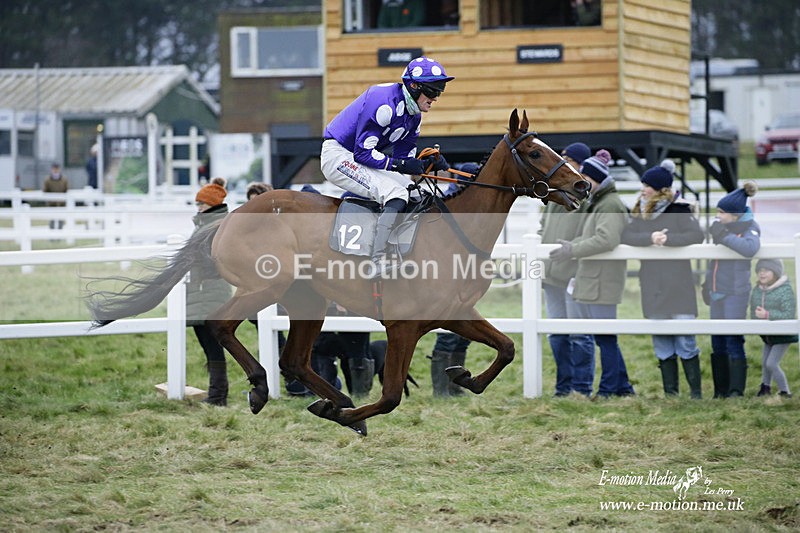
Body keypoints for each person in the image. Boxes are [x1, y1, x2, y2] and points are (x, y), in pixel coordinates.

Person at [320, 56, 453, 278]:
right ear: (414, 86)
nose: (435, 98)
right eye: (432, 91)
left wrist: (427, 164)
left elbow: (405, 163)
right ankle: (377, 259)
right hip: (338, 154)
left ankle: (398, 248)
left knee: (413, 192)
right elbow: (363, 153)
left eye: (440, 91)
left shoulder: (414, 116)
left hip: (360, 157)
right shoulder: (384, 104)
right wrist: (401, 164)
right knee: (395, 192)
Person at [550, 149, 635, 398]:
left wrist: (572, 250)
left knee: (606, 339)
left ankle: (610, 389)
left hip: (602, 280)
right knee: (604, 338)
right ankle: (621, 388)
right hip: (595, 279)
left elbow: (605, 239)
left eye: (586, 177)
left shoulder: (609, 204)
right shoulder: (602, 201)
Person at [621, 160, 704, 398]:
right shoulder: (639, 210)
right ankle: (671, 393)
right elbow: (626, 235)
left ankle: (695, 393)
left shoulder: (678, 209)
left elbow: (696, 234)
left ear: (660, 189)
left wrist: (669, 240)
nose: (643, 189)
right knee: (661, 340)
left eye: (647, 185)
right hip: (652, 284)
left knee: (686, 339)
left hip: (679, 285)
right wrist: (650, 236)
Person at [540, 142, 595, 397]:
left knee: (579, 333)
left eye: (568, 159)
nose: (562, 162)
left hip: (572, 271)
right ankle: (563, 386)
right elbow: (543, 227)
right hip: (551, 273)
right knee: (556, 333)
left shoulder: (586, 195)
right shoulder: (554, 192)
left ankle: (581, 387)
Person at [703, 181, 760, 398]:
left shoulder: (750, 228)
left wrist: (723, 237)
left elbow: (749, 248)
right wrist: (707, 285)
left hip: (735, 293)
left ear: (734, 215)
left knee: (733, 339)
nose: (717, 216)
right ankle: (721, 390)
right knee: (717, 341)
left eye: (721, 212)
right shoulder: (723, 228)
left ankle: (736, 391)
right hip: (717, 291)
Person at [188, 177, 233, 406]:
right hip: (204, 293)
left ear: (212, 205)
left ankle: (218, 396)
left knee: (213, 347)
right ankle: (217, 394)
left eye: (201, 204)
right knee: (211, 347)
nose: (198, 208)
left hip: (209, 293)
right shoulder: (209, 226)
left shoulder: (212, 228)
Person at [749, 258, 796, 398]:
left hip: (783, 335)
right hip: (768, 335)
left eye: (767, 270)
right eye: (760, 270)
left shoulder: (785, 290)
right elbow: (753, 310)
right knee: (764, 363)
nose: (762, 274)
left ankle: (785, 391)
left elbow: (788, 314)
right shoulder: (757, 290)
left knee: (771, 363)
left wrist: (767, 314)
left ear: (775, 272)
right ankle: (765, 387)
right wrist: (756, 316)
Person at [43, 163, 69, 229]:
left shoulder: (64, 179)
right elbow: (45, 190)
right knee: (52, 218)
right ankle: (52, 235)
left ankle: (60, 234)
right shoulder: (48, 180)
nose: (56, 170)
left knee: (60, 219)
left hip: (61, 202)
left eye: (57, 169)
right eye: (54, 169)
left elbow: (66, 189)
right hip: (52, 203)